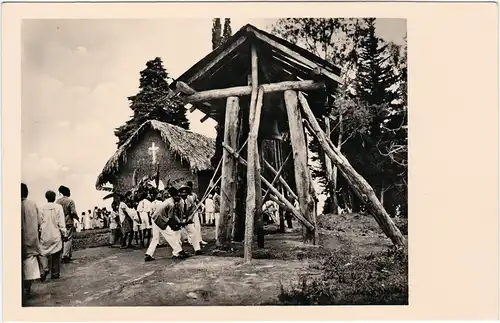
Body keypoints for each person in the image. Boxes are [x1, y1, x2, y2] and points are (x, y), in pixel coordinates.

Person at [145, 186, 189, 261]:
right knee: (170, 235)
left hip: (155, 218)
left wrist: (179, 223)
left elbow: (173, 215)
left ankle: (148, 254)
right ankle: (180, 251)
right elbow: (170, 217)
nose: (179, 197)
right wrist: (176, 225)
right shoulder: (171, 204)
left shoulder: (169, 200)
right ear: (174, 196)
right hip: (160, 220)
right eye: (177, 196)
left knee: (156, 238)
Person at [38, 190, 67, 281]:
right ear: (54, 198)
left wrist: (39, 232)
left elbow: (39, 222)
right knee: (56, 253)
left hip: (45, 234)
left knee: (43, 252)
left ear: (46, 198)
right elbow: (61, 222)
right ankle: (55, 273)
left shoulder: (41, 208)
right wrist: (64, 233)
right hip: (55, 233)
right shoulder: (58, 207)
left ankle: (45, 268)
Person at [21, 183, 41, 298]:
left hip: (19, 240)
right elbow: (38, 221)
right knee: (29, 264)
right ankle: (27, 289)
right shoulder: (32, 204)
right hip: (31, 239)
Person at [56, 185, 78, 263]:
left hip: (60, 223)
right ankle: (65, 256)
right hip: (68, 222)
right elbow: (73, 212)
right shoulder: (70, 201)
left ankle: (68, 255)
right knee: (68, 239)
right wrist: (77, 218)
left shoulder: (58, 202)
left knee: (63, 239)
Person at [179, 185, 203, 255]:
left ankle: (197, 249)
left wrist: (189, 218)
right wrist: (180, 221)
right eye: (182, 193)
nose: (184, 194)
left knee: (193, 232)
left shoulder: (190, 199)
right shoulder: (177, 200)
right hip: (178, 220)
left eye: (185, 192)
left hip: (187, 219)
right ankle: (177, 252)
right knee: (178, 237)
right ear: (180, 193)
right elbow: (175, 213)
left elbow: (192, 209)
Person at [186, 181, 207, 246]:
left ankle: (199, 240)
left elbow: (197, 201)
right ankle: (191, 240)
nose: (189, 188)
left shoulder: (194, 195)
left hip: (195, 213)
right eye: (188, 187)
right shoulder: (185, 196)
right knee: (190, 227)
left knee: (197, 226)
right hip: (189, 214)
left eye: (190, 187)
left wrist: (200, 205)